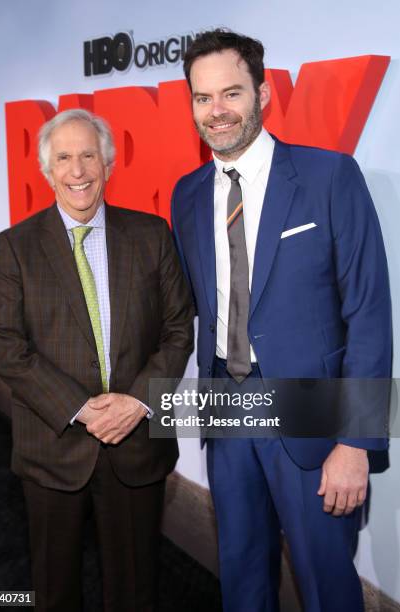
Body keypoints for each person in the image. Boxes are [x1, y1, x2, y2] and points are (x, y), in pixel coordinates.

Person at [171, 29, 391, 612]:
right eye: (202, 97)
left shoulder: (329, 177)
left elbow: (368, 314)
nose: (216, 111)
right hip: (226, 405)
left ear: (264, 94)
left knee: (327, 587)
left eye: (231, 93)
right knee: (241, 578)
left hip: (312, 415)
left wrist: (355, 442)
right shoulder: (187, 195)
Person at [0, 108, 194, 612]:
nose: (77, 170)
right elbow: (10, 349)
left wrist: (136, 404)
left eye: (87, 156)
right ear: (46, 169)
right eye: (64, 158)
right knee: (54, 590)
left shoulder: (151, 234)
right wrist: (83, 408)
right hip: (53, 447)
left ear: (108, 163)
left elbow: (177, 328)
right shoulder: (16, 247)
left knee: (135, 589)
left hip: (137, 443)